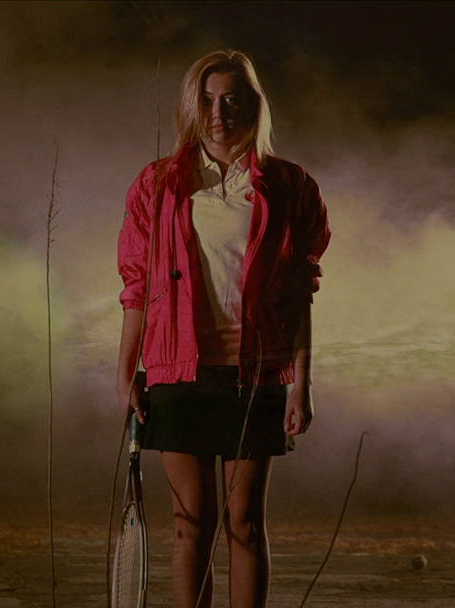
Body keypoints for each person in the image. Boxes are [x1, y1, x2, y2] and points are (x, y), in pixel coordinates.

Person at [116, 49, 330, 607]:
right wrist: (128, 372)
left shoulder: (289, 186)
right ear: (192, 106)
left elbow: (299, 294)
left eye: (231, 99)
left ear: (253, 106)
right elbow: (136, 288)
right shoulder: (157, 185)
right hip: (176, 373)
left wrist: (301, 384)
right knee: (190, 527)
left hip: (255, 376)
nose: (218, 113)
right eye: (207, 100)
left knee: (245, 525)